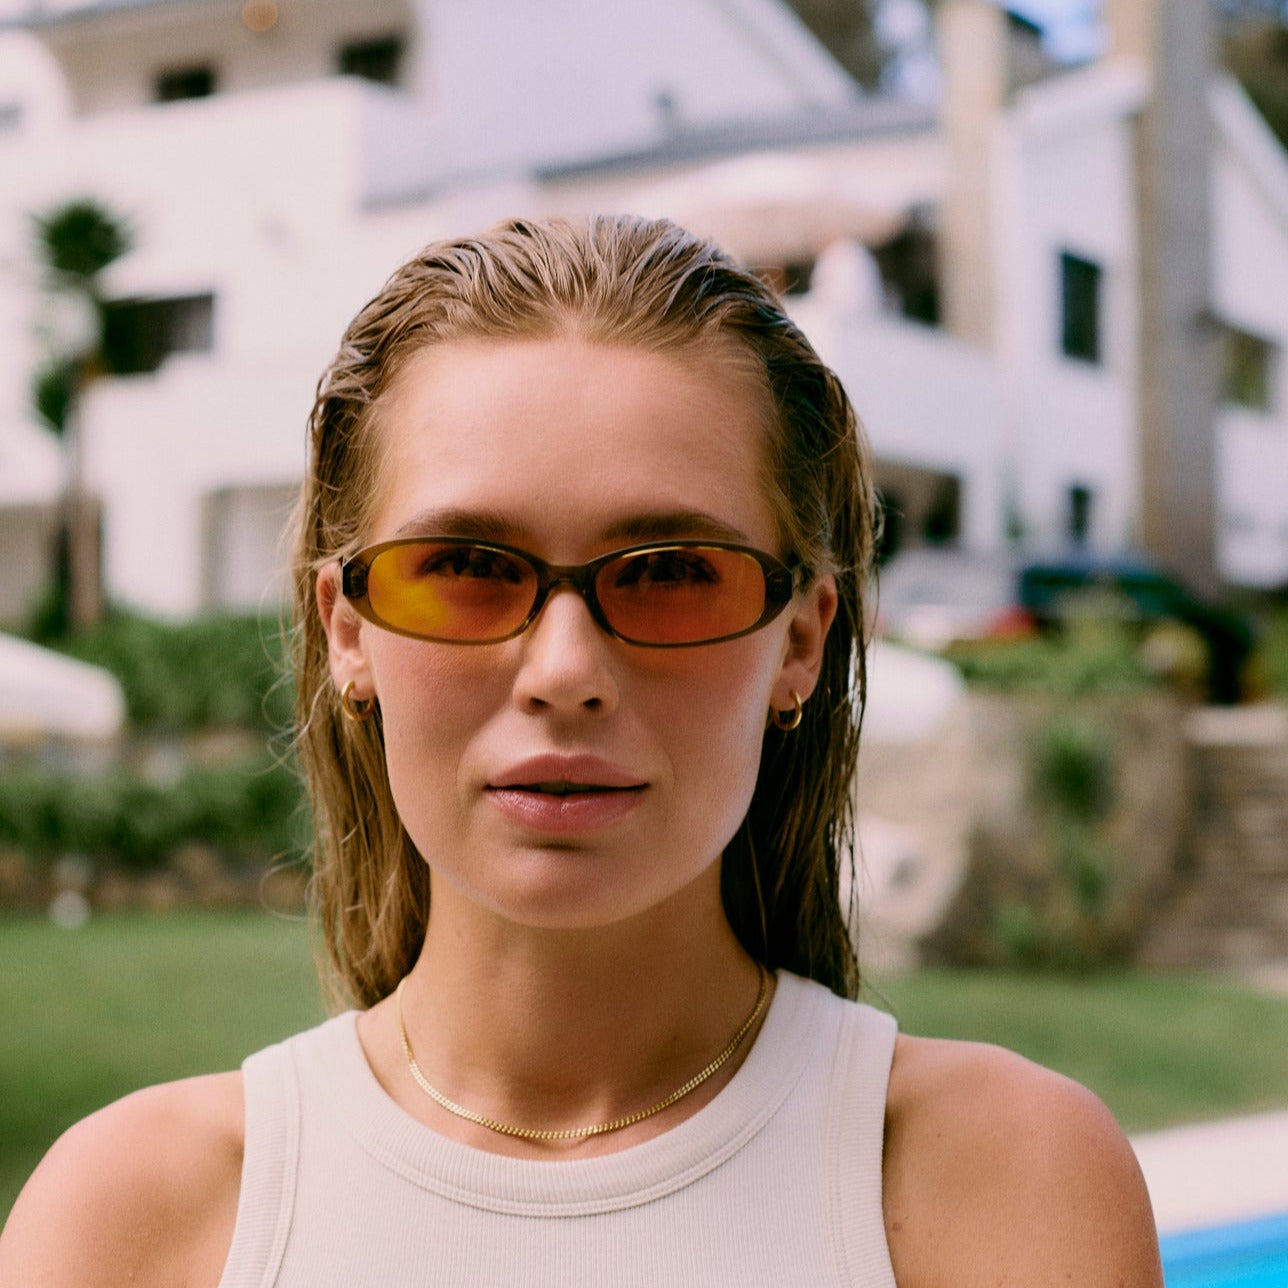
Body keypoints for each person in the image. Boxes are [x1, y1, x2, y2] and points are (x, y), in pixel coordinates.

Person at [0, 215, 1164, 1287]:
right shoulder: (136, 1221)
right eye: (465, 565)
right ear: (346, 631)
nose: (563, 669)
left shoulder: (1002, 1185)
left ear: (802, 640)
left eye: (671, 571)